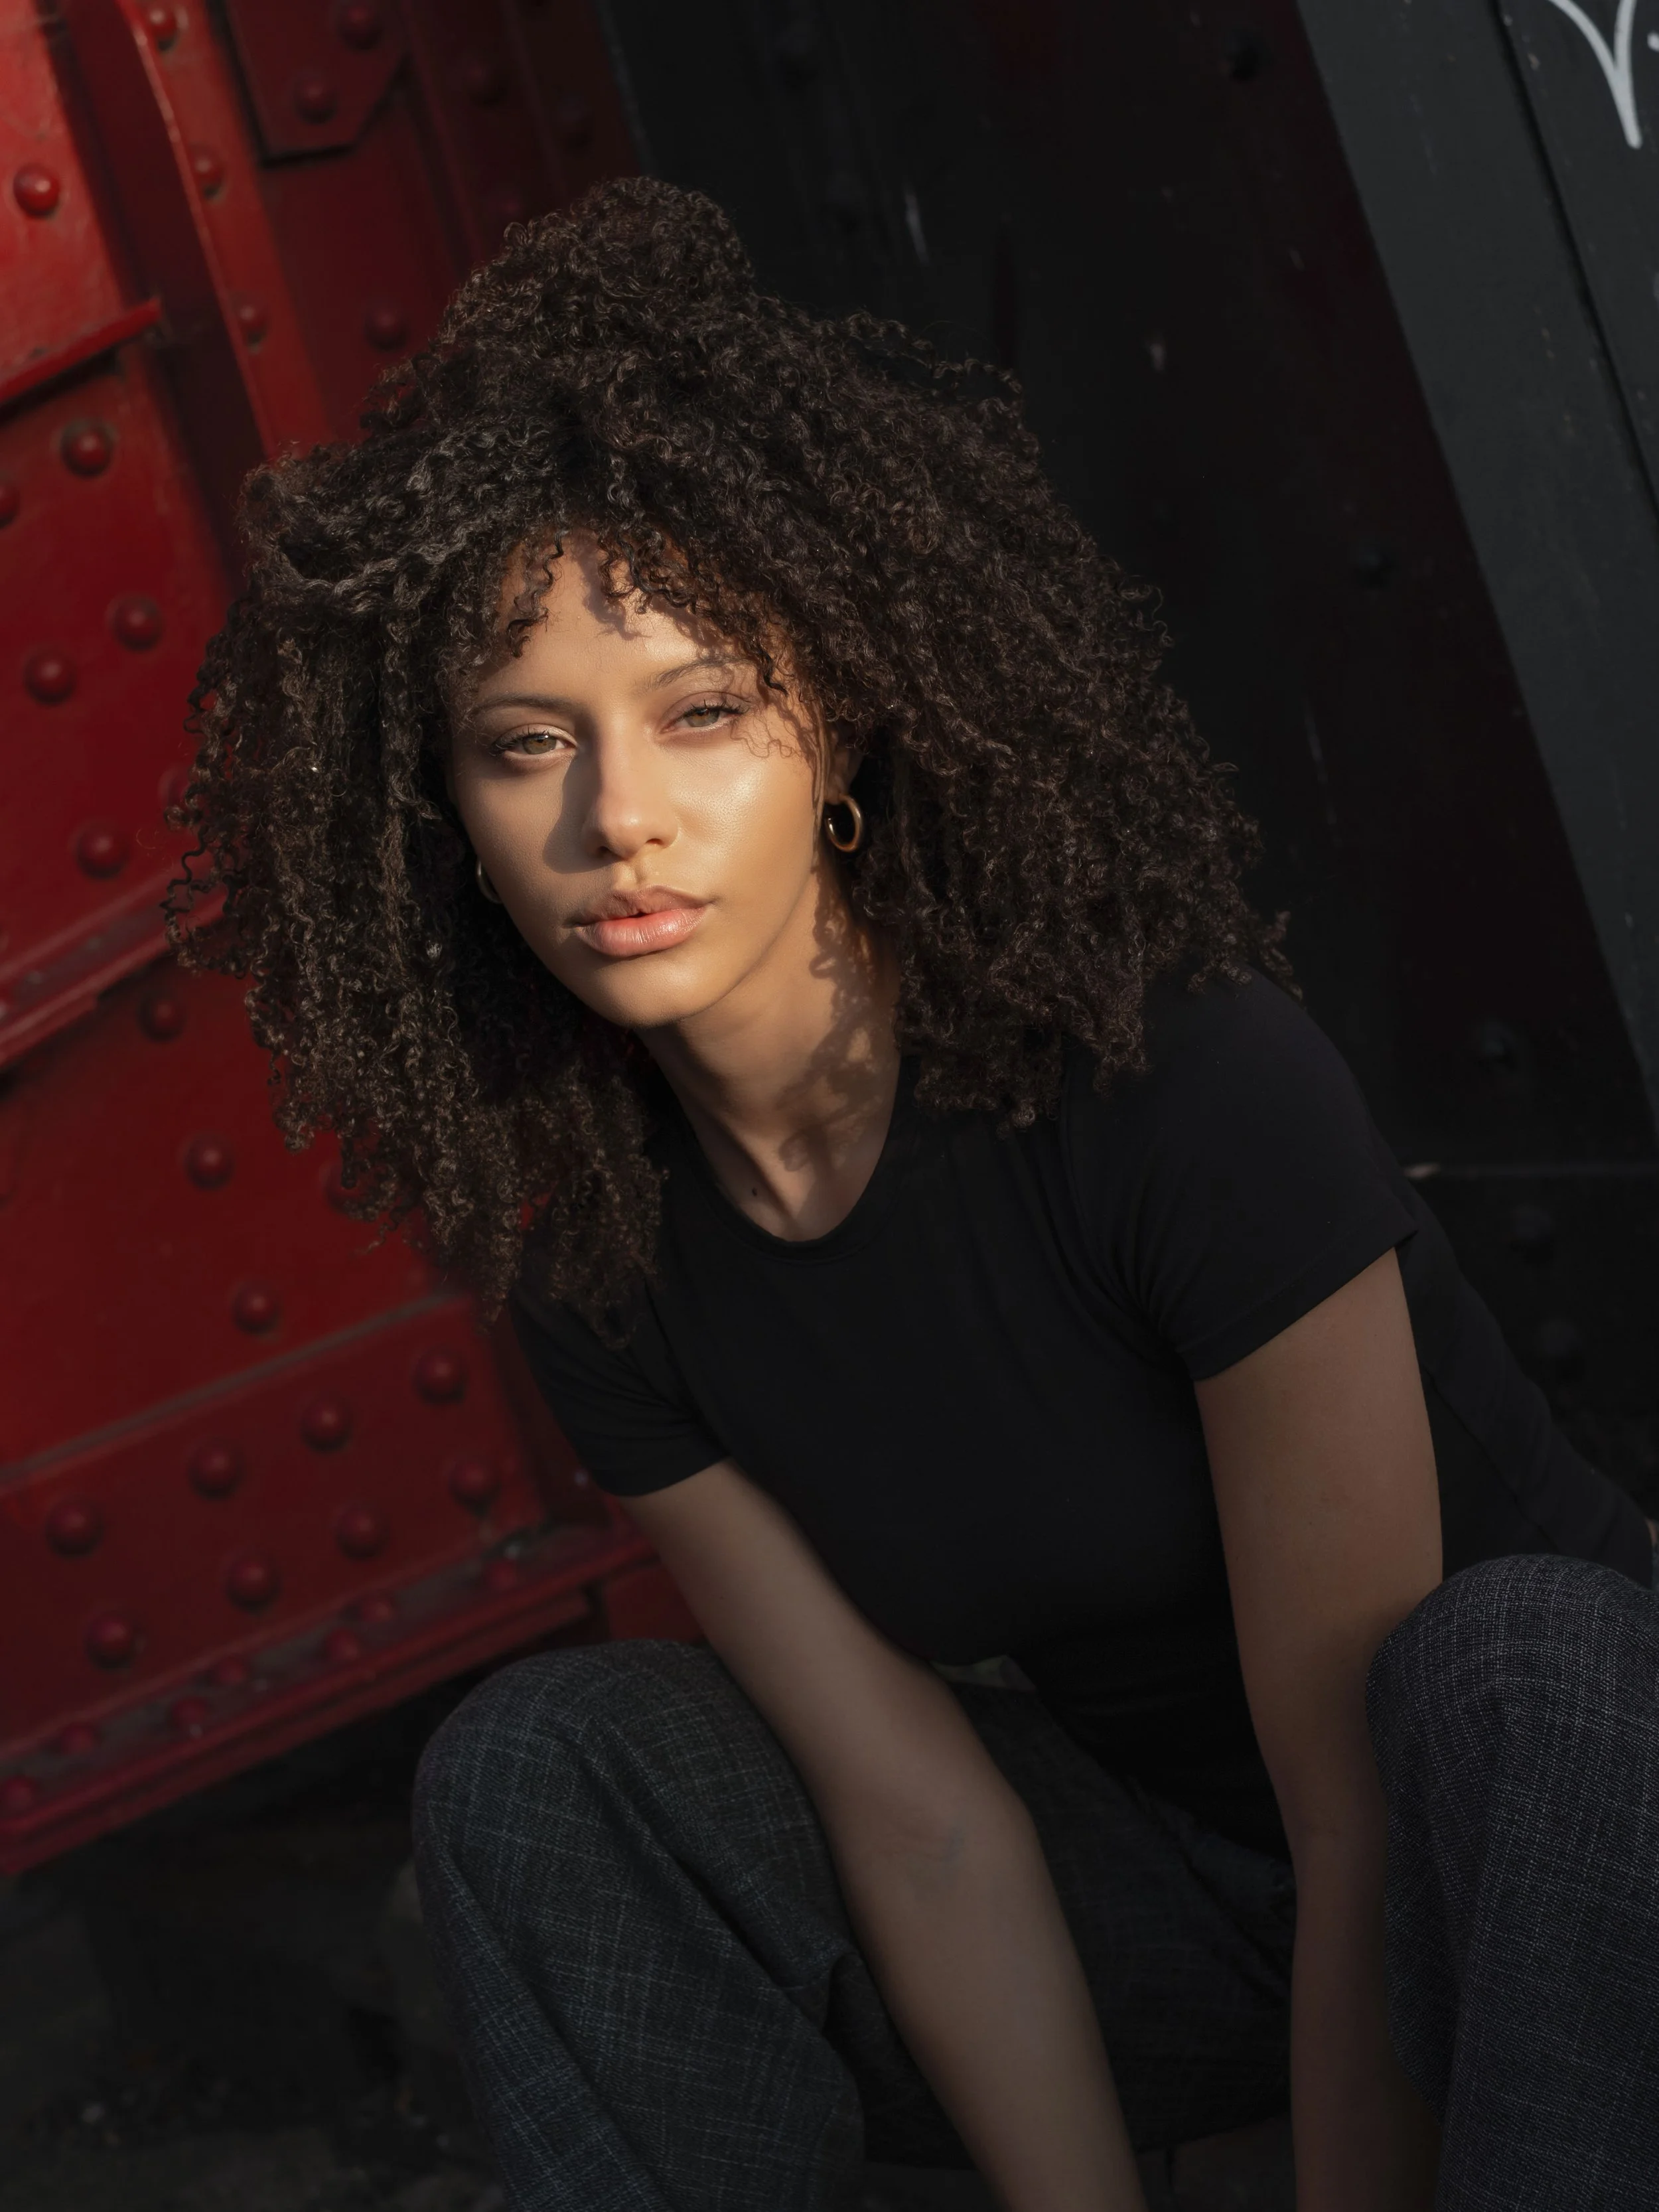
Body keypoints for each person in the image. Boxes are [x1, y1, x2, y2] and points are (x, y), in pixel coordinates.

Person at [169, 179, 1659, 2212]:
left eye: (702, 712)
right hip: (1175, 1893)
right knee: (548, 1764)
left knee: (1526, 1665)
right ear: (451, 816)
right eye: (527, 748)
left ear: (839, 719)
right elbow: (924, 1821)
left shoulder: (1180, 1089)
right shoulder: (606, 1262)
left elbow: (1357, 1814)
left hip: (1549, 1879)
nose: (619, 822)